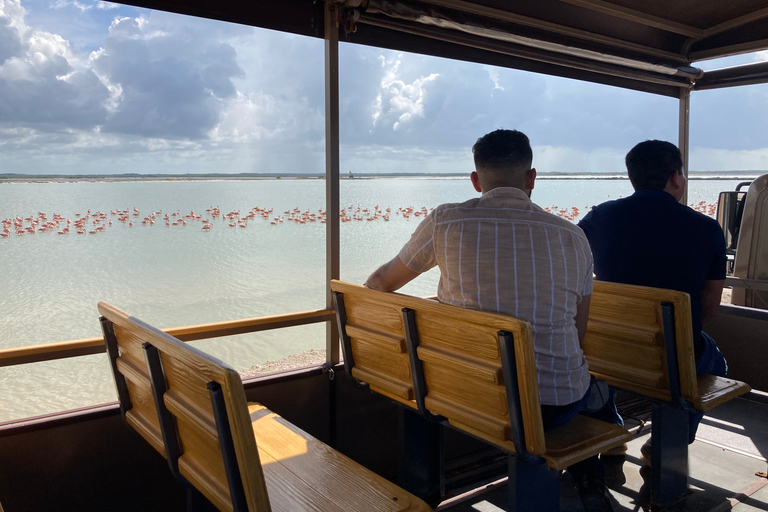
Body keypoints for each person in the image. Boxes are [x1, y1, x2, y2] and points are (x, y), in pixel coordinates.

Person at [366, 129, 619, 511]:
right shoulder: (573, 236)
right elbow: (578, 331)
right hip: (553, 404)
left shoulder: (445, 221)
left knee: (417, 393)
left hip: (463, 396)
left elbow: (380, 284)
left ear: (475, 180)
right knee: (588, 388)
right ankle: (592, 475)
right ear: (531, 178)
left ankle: (422, 495)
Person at [578, 140, 728, 459]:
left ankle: (611, 432)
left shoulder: (599, 217)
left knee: (606, 353)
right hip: (671, 360)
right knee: (717, 362)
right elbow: (710, 307)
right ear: (675, 177)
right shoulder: (707, 228)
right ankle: (663, 445)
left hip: (608, 349)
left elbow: (572, 269)